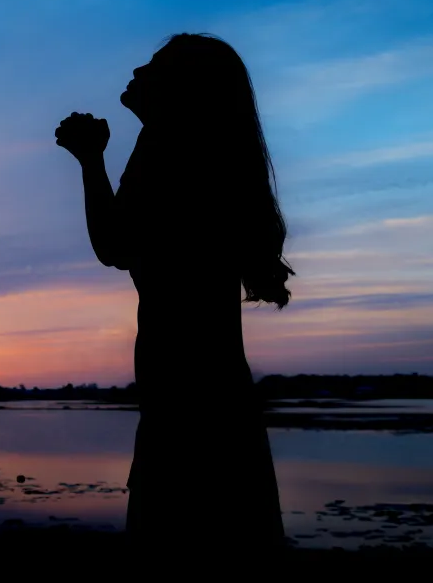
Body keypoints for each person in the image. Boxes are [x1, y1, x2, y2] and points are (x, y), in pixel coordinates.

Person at [55, 33, 292, 559]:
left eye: (155, 65)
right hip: (209, 394)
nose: (138, 70)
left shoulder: (173, 148)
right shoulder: (192, 148)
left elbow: (115, 245)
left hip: (187, 401)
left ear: (183, 88)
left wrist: (90, 159)